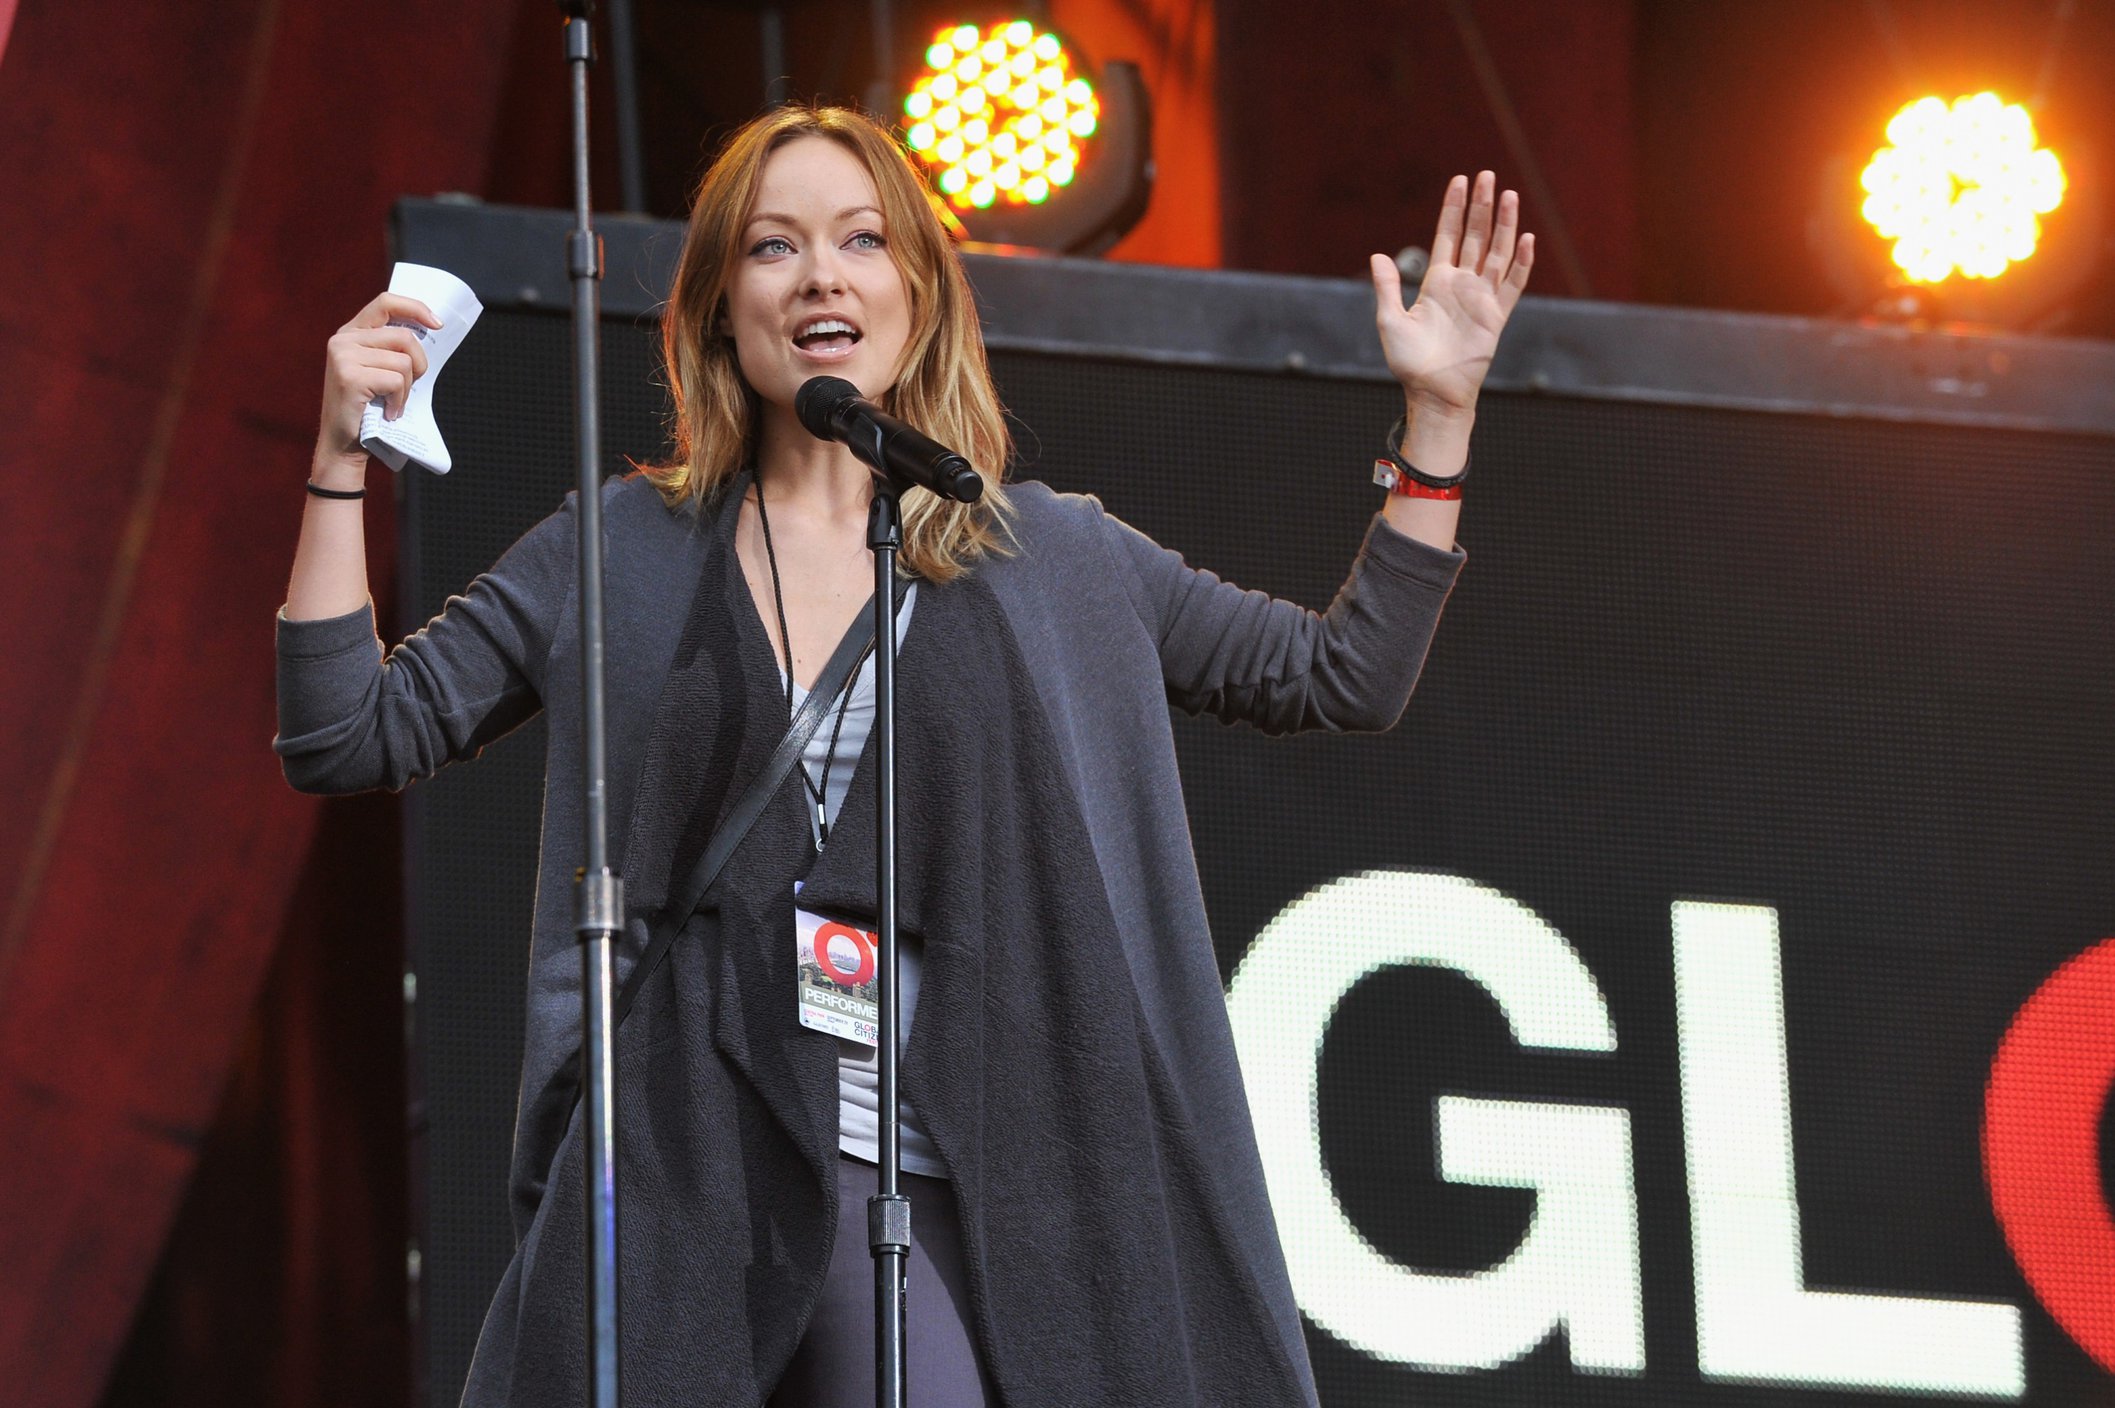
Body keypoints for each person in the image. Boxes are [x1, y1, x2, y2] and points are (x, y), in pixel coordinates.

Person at [277, 104, 1531, 1407]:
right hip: (689, 1181)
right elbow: (346, 733)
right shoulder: (619, 551)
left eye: (862, 239)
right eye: (775, 247)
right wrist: (333, 460)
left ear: (918, 293)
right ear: (718, 306)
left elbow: (1343, 675)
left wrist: (1438, 417)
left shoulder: (1050, 559)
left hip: (947, 1183)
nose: (823, 273)